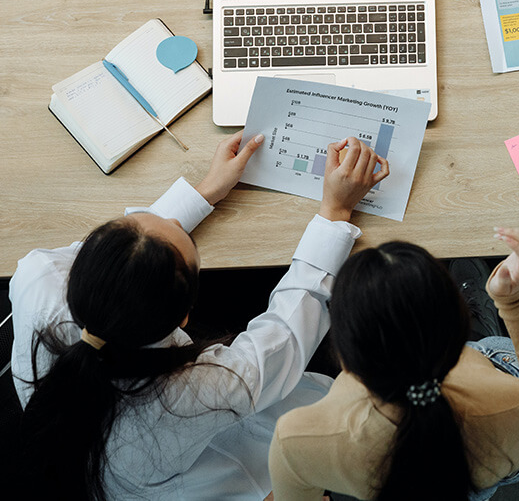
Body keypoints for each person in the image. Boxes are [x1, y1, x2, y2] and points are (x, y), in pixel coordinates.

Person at [10, 132, 388, 500]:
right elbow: (284, 338)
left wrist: (205, 190)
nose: (173, 222)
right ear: (186, 318)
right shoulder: (194, 396)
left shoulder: (38, 275)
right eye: (179, 234)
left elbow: (132, 251)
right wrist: (335, 213)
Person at [267, 228, 519, 501]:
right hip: (506, 447)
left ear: (344, 353)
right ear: (458, 325)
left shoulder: (296, 440)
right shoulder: (517, 407)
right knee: (497, 352)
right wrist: (514, 300)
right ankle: (482, 329)